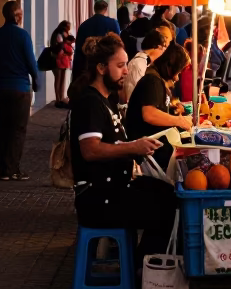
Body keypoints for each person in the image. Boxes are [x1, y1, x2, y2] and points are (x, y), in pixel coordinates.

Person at [68, 33, 176, 258]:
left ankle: (142, 263)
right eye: (119, 66)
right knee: (170, 208)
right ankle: (143, 270)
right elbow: (90, 150)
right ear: (101, 68)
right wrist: (132, 148)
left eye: (125, 65)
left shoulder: (107, 100)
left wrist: (137, 146)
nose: (126, 71)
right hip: (98, 198)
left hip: (115, 188)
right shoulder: (90, 102)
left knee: (172, 195)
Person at [0, 1, 40, 181]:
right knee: (18, 129)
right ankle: (13, 169)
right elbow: (31, 62)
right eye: (20, 14)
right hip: (19, 89)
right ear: (17, 16)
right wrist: (36, 81)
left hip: (0, 88)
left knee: (2, 127)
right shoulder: (23, 36)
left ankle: (3, 168)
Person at [125, 41, 193, 172]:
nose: (177, 79)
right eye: (177, 72)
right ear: (169, 67)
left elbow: (157, 109)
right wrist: (178, 120)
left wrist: (173, 112)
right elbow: (149, 115)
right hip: (147, 154)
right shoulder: (152, 81)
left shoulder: (156, 80)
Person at [121, 25, 174, 103]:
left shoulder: (145, 63)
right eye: (164, 47)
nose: (164, 51)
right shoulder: (138, 64)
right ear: (158, 47)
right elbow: (142, 94)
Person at [72, 0, 122, 80]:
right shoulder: (112, 23)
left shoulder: (84, 25)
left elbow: (78, 50)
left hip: (87, 67)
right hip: (107, 66)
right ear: (106, 9)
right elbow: (118, 44)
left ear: (94, 9)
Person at [49, 19, 74, 107]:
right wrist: (67, 42)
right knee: (58, 78)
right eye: (67, 27)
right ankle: (58, 98)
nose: (68, 29)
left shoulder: (64, 34)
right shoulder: (58, 34)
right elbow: (60, 44)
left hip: (64, 58)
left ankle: (61, 97)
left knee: (62, 79)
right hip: (58, 59)